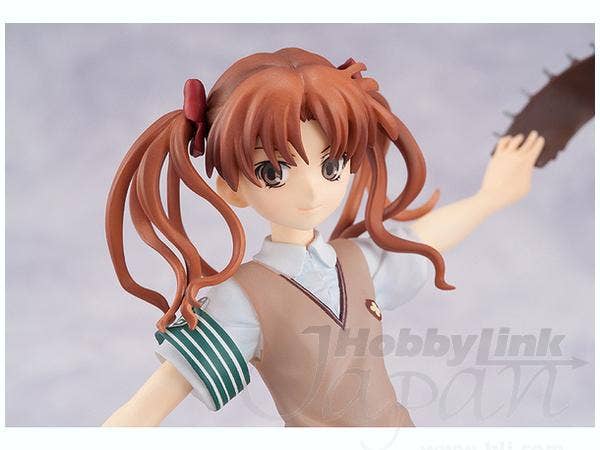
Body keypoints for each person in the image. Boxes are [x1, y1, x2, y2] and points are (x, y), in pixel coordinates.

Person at [102, 48, 545, 426]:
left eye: (332, 166)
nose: (313, 191)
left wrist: (490, 197)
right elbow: (143, 411)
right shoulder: (242, 299)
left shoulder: (356, 262)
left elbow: (423, 238)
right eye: (272, 172)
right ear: (232, 189)